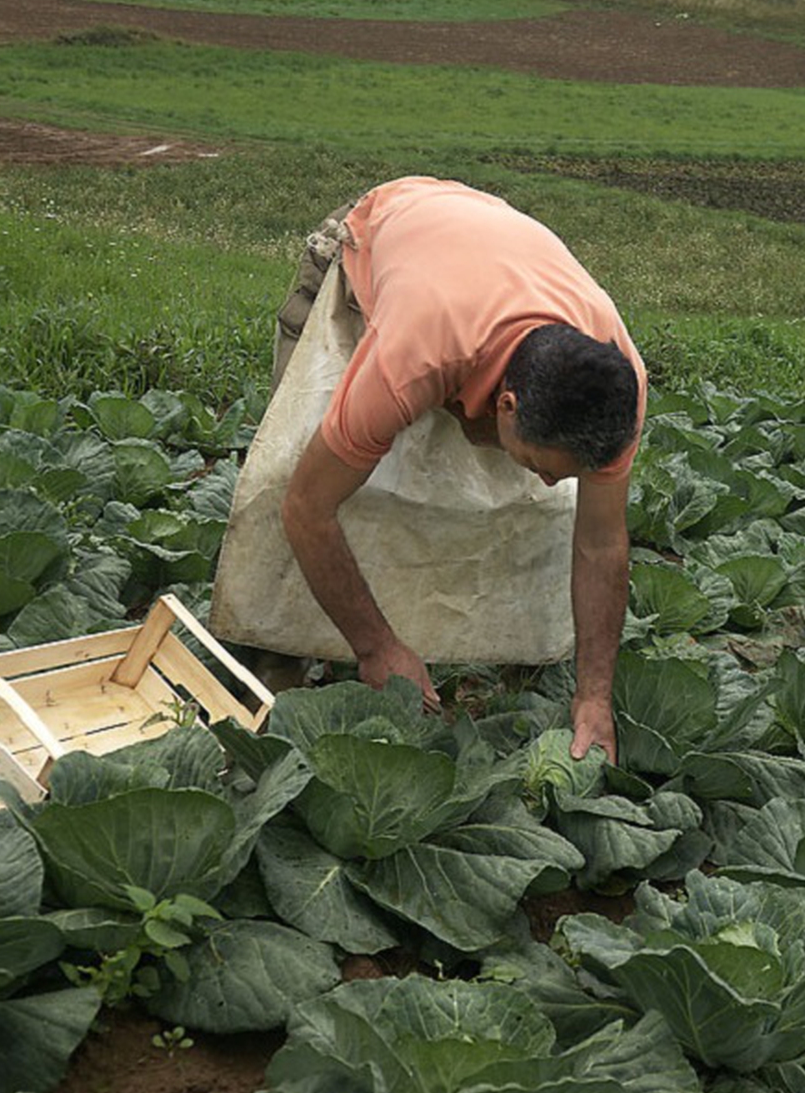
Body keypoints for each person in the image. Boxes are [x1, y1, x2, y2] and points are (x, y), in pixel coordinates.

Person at [275, 177, 645, 764]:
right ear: (506, 405)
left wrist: (595, 695)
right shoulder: (414, 353)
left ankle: (491, 654)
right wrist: (376, 649)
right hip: (383, 240)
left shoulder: (616, 387)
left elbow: (601, 544)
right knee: (297, 466)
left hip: (480, 251)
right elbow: (305, 508)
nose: (551, 484)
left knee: (528, 510)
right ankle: (275, 659)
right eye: (542, 466)